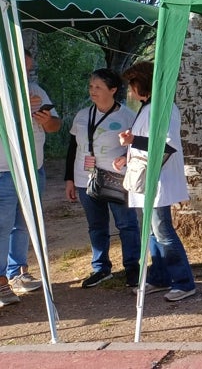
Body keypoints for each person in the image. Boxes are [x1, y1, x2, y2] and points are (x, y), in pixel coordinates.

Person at [113, 60, 195, 302]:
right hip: (145, 177)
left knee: (162, 230)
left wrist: (132, 142)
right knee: (151, 230)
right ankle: (160, 277)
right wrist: (125, 155)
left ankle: (184, 282)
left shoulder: (163, 108)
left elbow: (166, 145)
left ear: (142, 84)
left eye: (131, 84)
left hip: (158, 178)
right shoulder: (148, 108)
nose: (129, 90)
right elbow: (145, 140)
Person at [64, 69, 141, 288]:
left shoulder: (127, 116)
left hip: (117, 179)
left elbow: (137, 146)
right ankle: (101, 268)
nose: (92, 91)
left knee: (126, 224)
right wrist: (69, 179)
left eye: (98, 87)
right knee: (96, 225)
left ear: (113, 90)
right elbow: (72, 148)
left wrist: (124, 157)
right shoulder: (82, 115)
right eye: (91, 86)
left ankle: (132, 267)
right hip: (84, 179)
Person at [0, 50, 61, 306]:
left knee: (24, 223)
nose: (26, 74)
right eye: (21, 69)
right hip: (5, 169)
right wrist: (21, 108)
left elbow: (56, 125)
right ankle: (1, 282)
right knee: (1, 227)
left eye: (28, 69)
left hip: (33, 168)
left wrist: (46, 120)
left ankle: (18, 273)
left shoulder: (36, 89)